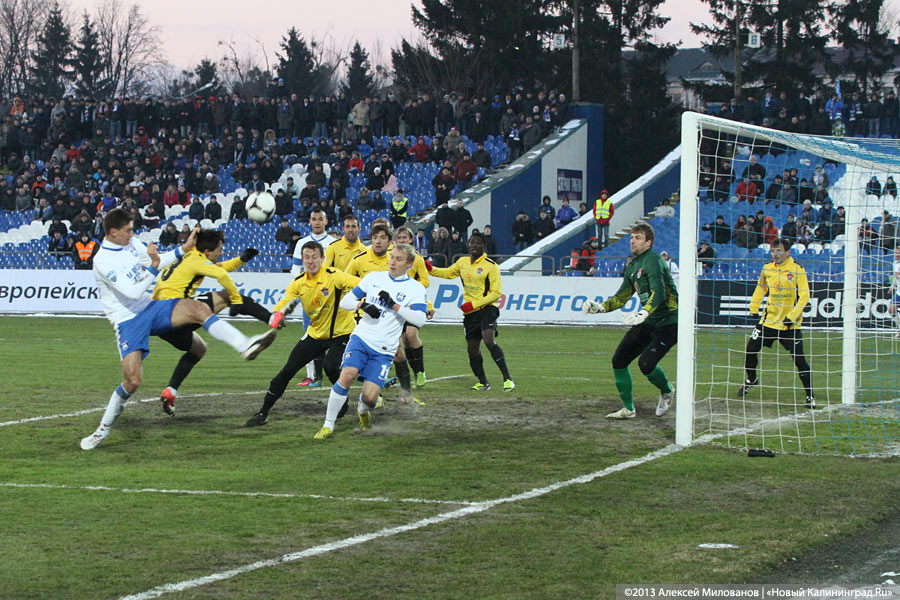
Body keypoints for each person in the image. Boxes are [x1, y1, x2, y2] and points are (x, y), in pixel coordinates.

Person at [79, 209, 276, 450]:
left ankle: (245, 344)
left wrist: (183, 248)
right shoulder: (103, 261)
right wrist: (152, 267)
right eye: (128, 230)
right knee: (132, 381)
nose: (133, 233)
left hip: (151, 307)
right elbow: (132, 291)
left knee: (198, 309)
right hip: (127, 320)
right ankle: (102, 430)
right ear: (113, 232)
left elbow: (160, 260)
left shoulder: (131, 244)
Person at [245, 240, 362, 430]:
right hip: (315, 335)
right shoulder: (299, 282)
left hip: (342, 334)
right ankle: (262, 413)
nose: (310, 261)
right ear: (302, 259)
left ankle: (342, 398)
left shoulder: (335, 276)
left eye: (314, 257)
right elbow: (284, 302)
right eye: (306, 257)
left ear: (323, 258)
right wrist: (278, 315)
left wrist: (363, 301)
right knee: (285, 372)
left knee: (330, 366)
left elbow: (359, 285)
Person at [151, 229, 270, 414]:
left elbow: (219, 267)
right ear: (208, 251)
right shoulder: (197, 260)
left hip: (161, 322)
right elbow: (221, 276)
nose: (221, 252)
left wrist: (241, 260)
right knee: (227, 295)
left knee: (199, 349)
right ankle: (265, 326)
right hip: (176, 311)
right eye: (219, 249)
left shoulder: (189, 256)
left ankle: (170, 390)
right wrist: (236, 300)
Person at [321, 243, 427, 436]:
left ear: (410, 264)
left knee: (370, 398)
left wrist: (394, 306)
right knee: (347, 375)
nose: (392, 262)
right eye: (392, 257)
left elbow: (420, 319)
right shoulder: (373, 278)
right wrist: (363, 304)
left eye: (399, 259)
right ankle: (328, 425)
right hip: (361, 338)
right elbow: (346, 302)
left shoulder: (415, 288)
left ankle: (362, 410)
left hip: (384, 350)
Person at [582, 223, 677, 419]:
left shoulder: (654, 260)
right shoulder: (633, 266)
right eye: (631, 237)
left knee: (646, 364)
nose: (632, 240)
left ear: (649, 243)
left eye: (638, 237)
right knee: (619, 360)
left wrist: (644, 312)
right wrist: (599, 308)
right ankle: (628, 409)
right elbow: (621, 297)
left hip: (669, 323)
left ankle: (667, 391)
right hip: (648, 320)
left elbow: (659, 293)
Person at [427, 232, 514, 391]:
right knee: (472, 349)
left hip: (488, 308)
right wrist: (431, 269)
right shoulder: (462, 262)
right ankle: (483, 382)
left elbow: (496, 293)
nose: (474, 245)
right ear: (468, 245)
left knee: (489, 340)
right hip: (470, 313)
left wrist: (474, 304)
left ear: (484, 246)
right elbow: (448, 273)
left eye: (478, 243)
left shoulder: (491, 266)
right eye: (472, 242)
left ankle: (507, 379)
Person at [737, 237, 815, 408]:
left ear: (787, 252)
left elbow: (805, 295)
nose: (775, 254)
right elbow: (761, 287)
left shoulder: (797, 270)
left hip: (790, 325)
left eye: (779, 251)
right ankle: (751, 378)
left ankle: (810, 395)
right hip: (768, 321)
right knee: (750, 349)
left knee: (799, 360)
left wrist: (792, 316)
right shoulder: (767, 269)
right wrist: (754, 306)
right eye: (773, 251)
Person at [291, 207, 338, 386]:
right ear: (309, 221)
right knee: (311, 335)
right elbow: (296, 269)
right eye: (314, 219)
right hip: (310, 297)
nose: (317, 222)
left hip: (331, 298)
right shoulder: (301, 243)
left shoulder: (333, 243)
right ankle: (312, 376)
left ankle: (335, 371)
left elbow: (337, 270)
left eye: (320, 218)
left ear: (326, 221)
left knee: (334, 336)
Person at [394, 226, 435, 390]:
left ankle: (420, 371)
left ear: (411, 240)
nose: (402, 240)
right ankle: (413, 371)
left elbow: (425, 281)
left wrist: (409, 288)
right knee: (403, 340)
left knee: (411, 335)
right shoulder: (393, 257)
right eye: (400, 238)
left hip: (413, 304)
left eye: (405, 237)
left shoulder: (417, 259)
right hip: (397, 306)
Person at [889, 246, 900, 336]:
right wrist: (892, 286)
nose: (896, 254)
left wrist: (898, 275)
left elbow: (897, 275)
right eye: (895, 252)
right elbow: (895, 277)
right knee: (891, 309)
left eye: (898, 253)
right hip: (899, 292)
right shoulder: (895, 263)